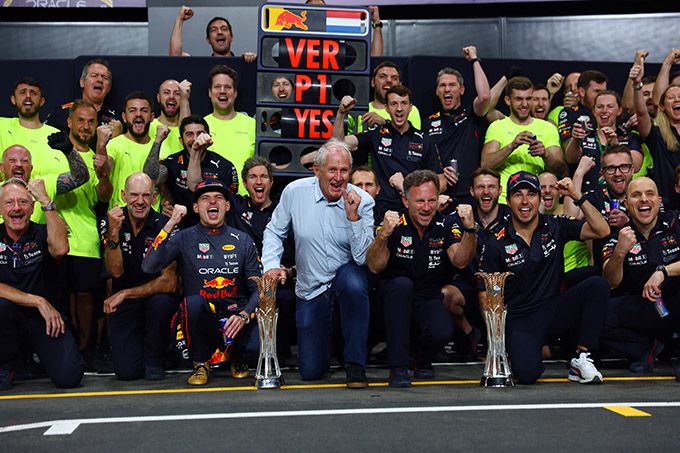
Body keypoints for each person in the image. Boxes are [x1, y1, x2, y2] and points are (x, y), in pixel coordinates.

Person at [479, 170, 611, 384]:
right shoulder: (496, 242)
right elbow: (487, 296)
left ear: (540, 198)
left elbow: (602, 230)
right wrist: (497, 344)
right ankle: (530, 351)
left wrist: (577, 196)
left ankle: (581, 357)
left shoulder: (555, 225)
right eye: (518, 195)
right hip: (520, 319)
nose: (525, 201)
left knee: (597, 284)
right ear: (508, 201)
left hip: (553, 309)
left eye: (531, 194)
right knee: (527, 375)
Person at [262, 139, 374, 388]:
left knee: (353, 281)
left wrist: (353, 218)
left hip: (345, 281)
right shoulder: (295, 192)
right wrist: (271, 264)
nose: (338, 177)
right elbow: (274, 231)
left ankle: (355, 365)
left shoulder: (363, 201)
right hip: (311, 288)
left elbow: (362, 258)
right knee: (311, 371)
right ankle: (329, 346)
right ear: (316, 170)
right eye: (332, 170)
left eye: (344, 170)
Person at [142, 179, 261, 386]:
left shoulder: (243, 240)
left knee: (256, 347)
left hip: (236, 318)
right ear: (196, 208)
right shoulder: (183, 238)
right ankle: (200, 363)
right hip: (201, 319)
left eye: (218, 198)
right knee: (193, 303)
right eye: (205, 198)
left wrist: (243, 316)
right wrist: (171, 223)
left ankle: (237, 355)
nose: (212, 202)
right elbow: (148, 266)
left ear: (227, 206)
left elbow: (258, 290)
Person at [366, 170, 475, 386]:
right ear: (406, 201)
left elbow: (460, 261)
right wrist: (383, 235)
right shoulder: (392, 223)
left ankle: (421, 359)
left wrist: (470, 230)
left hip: (427, 298)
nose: (426, 207)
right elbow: (374, 266)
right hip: (390, 303)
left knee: (442, 331)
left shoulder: (446, 224)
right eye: (420, 201)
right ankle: (398, 368)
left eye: (431, 201)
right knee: (401, 286)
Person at [0, 178, 83, 390]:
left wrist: (45, 199)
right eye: (9, 202)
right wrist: (37, 301)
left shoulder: (44, 232)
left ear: (32, 208)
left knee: (69, 378)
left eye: (23, 202)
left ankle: (38, 358)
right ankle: (9, 363)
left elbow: (60, 249)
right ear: (0, 209)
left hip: (46, 320)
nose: (16, 208)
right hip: (8, 322)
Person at [100, 173, 178, 381]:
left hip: (154, 299)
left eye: (146, 195)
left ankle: (154, 359)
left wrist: (125, 293)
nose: (140, 201)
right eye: (134, 195)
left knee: (162, 302)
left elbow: (169, 282)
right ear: (123, 195)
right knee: (127, 372)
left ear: (154, 197)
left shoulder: (166, 225)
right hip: (125, 304)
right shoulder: (110, 222)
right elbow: (115, 271)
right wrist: (114, 233)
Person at [601, 177, 680, 379]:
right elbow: (611, 282)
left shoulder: (675, 222)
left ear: (659, 201)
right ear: (626, 204)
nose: (644, 199)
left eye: (649, 194)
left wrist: (662, 272)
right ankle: (646, 349)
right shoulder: (619, 236)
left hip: (677, 300)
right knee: (596, 313)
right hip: (648, 307)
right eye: (636, 195)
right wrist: (620, 252)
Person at [333, 86, 444, 217]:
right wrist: (341, 114)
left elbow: (441, 182)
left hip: (412, 211)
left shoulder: (425, 140)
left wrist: (409, 187)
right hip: (380, 210)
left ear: (410, 107)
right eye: (394, 104)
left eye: (404, 103)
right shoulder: (376, 134)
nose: (399, 109)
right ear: (386, 108)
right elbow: (338, 144)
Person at [58, 100, 112, 363]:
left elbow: (103, 198)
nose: (85, 126)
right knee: (58, 296)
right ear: (69, 121)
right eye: (80, 120)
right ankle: (61, 349)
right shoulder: (53, 149)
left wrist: (103, 175)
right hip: (51, 236)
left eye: (91, 121)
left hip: (85, 236)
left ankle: (85, 349)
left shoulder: (97, 159)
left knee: (84, 295)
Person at [424, 46, 492, 209]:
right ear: (437, 91)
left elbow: (484, 96)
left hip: (469, 197)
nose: (447, 89)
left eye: (452, 85)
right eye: (442, 85)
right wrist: (439, 175)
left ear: (461, 90)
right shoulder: (427, 123)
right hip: (439, 198)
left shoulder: (471, 115)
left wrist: (474, 59)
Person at [481, 77, 566, 203]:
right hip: (504, 199)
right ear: (508, 100)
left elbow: (561, 169)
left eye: (529, 99)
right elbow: (485, 165)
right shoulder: (497, 126)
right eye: (519, 99)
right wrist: (511, 146)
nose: (525, 104)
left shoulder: (548, 128)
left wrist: (545, 154)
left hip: (536, 199)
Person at [144, 114, 238, 228]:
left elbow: (231, 208)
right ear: (181, 140)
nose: (195, 139)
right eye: (189, 134)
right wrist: (158, 140)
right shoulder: (173, 162)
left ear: (209, 137)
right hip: (178, 228)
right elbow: (150, 178)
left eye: (200, 134)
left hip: (212, 228)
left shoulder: (224, 166)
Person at [565, 90, 643, 192]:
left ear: (619, 110)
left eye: (610, 106)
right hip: (586, 197)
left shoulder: (630, 137)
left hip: (618, 197)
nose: (604, 111)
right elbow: (570, 159)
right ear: (593, 111)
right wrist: (575, 140)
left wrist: (616, 146)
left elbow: (636, 166)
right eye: (600, 107)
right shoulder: (584, 135)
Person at [630, 55, 680, 209]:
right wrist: (637, 85)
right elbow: (642, 114)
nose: (677, 100)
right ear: (662, 106)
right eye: (671, 97)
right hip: (668, 206)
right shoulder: (657, 134)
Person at [102, 91, 163, 210]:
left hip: (152, 218)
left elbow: (163, 184)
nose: (138, 114)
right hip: (121, 216)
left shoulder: (161, 147)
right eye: (132, 110)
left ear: (152, 117)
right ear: (124, 117)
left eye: (144, 110)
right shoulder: (114, 145)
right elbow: (106, 167)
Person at [203, 65, 256, 195]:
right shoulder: (201, 126)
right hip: (212, 201)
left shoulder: (252, 125)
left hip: (247, 201)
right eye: (217, 87)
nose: (222, 91)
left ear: (235, 93)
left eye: (228, 87)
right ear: (209, 92)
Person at [0, 77, 61, 178]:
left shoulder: (56, 135)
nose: (28, 96)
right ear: (13, 99)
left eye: (33, 93)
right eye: (23, 92)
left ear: (42, 101)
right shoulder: (1, 125)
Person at [47, 58, 122, 140]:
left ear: (109, 88)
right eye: (94, 75)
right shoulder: (60, 113)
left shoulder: (117, 120)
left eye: (105, 78)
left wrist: (118, 138)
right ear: (82, 82)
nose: (100, 80)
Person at [168, 7, 256, 62]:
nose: (219, 32)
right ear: (208, 40)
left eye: (224, 29)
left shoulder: (243, 62)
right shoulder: (200, 64)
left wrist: (252, 60)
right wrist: (180, 19)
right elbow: (175, 57)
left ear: (231, 37)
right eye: (214, 30)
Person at [558, 70, 608, 149]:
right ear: (582, 92)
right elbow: (568, 148)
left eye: (604, 92)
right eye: (597, 91)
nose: (602, 96)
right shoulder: (569, 113)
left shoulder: (609, 112)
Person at [149, 79, 193, 160]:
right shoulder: (148, 127)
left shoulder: (192, 131)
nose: (171, 97)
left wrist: (185, 99)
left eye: (177, 93)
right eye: (166, 92)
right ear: (158, 98)